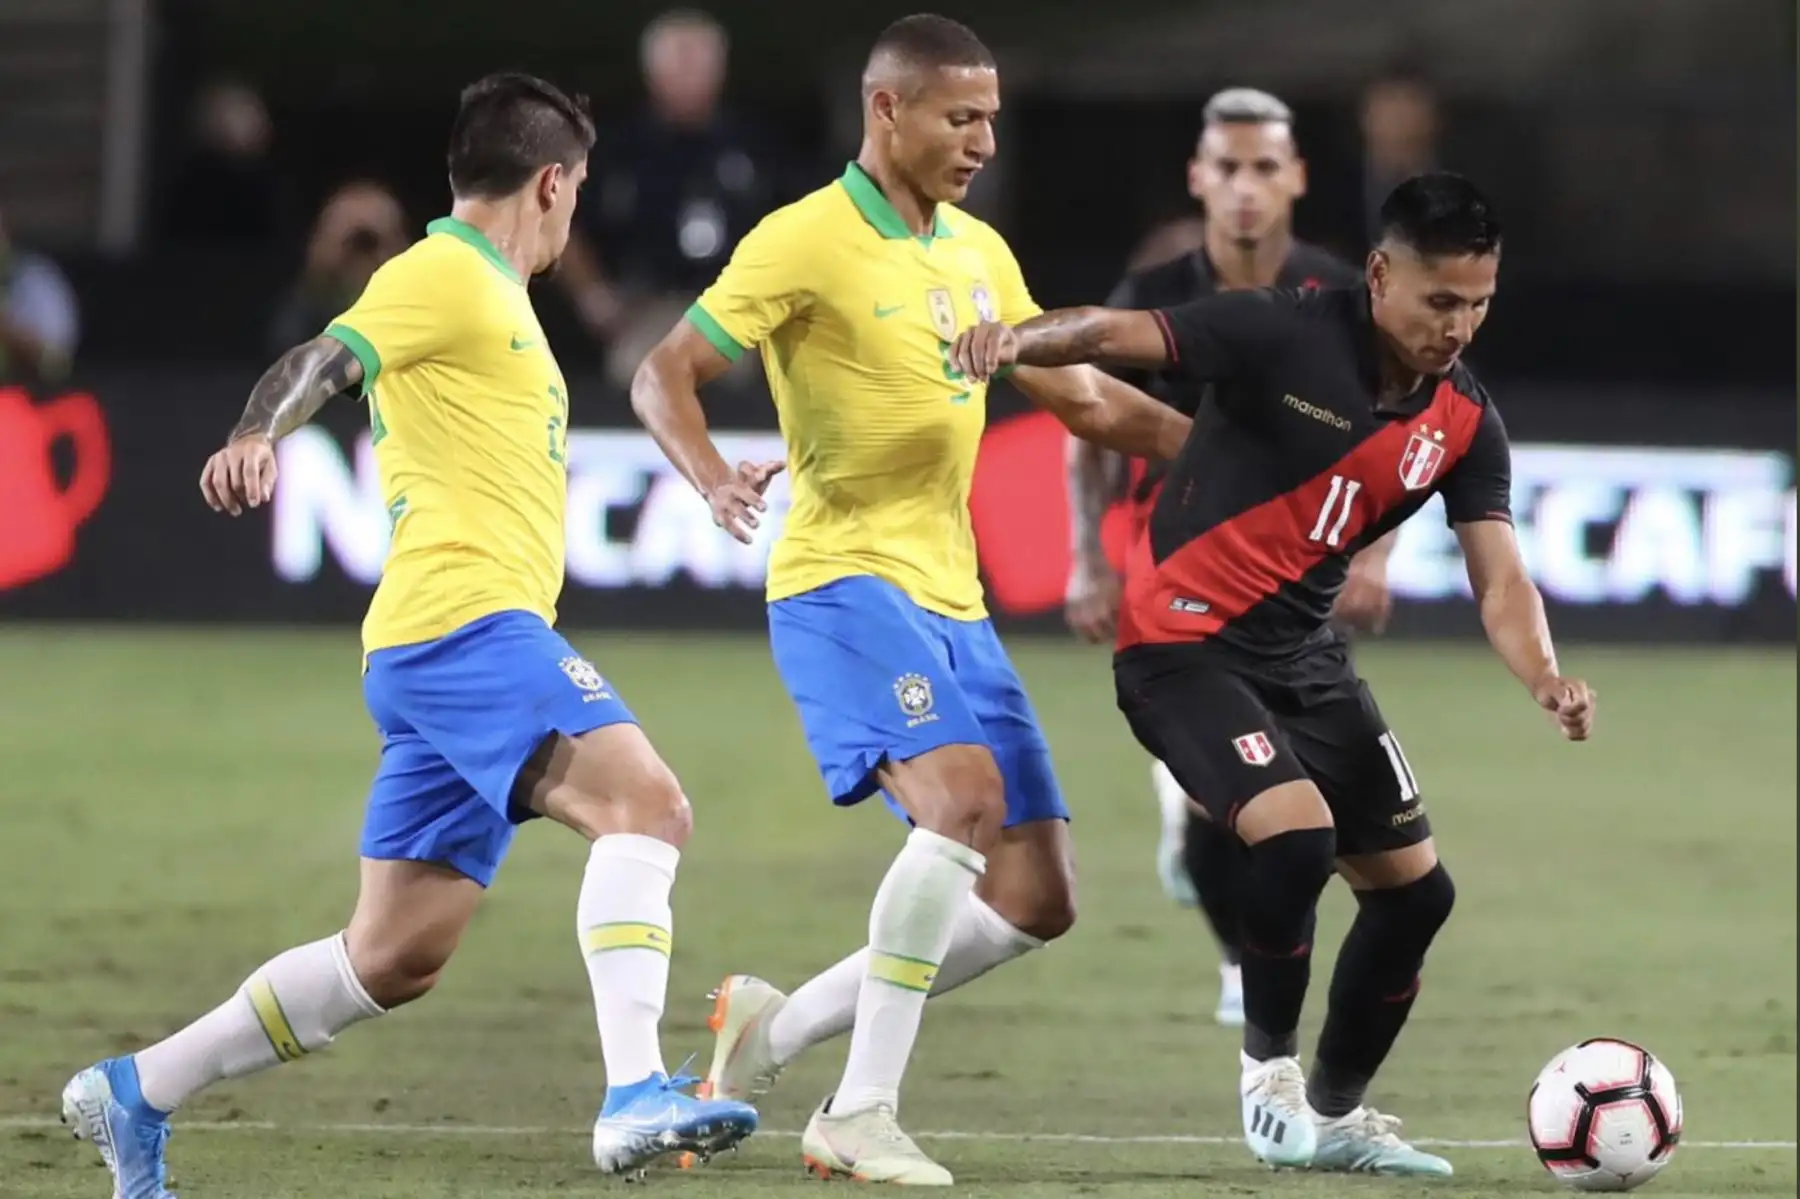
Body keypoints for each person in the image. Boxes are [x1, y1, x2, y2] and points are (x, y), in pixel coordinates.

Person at [59, 73, 757, 1197]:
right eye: (579, 188)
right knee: (648, 805)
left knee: (392, 955)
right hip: (464, 627)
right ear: (552, 183)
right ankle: (635, 1092)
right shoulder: (445, 273)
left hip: (440, 644)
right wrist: (257, 430)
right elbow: (324, 358)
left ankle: (135, 1090)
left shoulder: (491, 296)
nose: (575, 210)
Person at [631, 14, 1187, 1185]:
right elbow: (663, 370)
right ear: (887, 110)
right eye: (961, 117)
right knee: (962, 799)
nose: (984, 140)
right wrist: (712, 472)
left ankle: (767, 1032)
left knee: (1037, 897)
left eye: (992, 118)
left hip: (953, 602)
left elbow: (1087, 399)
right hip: (841, 582)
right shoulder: (804, 240)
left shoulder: (980, 253)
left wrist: (1226, 455)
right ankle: (857, 1109)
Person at [952, 172, 1596, 1177]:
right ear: (1379, 275)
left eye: (1478, 303)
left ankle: (1334, 1113)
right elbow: (1115, 334)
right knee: (1297, 835)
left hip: (1306, 661)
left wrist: (1544, 677)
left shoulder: (1466, 421)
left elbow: (1500, 575)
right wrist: (1016, 339)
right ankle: (1270, 1085)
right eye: (1440, 300)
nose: (1458, 326)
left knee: (1417, 897)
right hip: (1181, 646)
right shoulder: (1280, 330)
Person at [1064, 87, 1386, 1030]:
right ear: (1199, 178)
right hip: (1181, 575)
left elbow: (1396, 433)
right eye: (1229, 168)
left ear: (1296, 178)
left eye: (1264, 168)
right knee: (1232, 802)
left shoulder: (1344, 295)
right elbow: (1087, 424)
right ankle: (1241, 965)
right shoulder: (1154, 294)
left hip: (1298, 578)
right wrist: (1088, 558)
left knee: (1297, 796)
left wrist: (1376, 557)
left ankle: (1205, 856)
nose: (1247, 187)